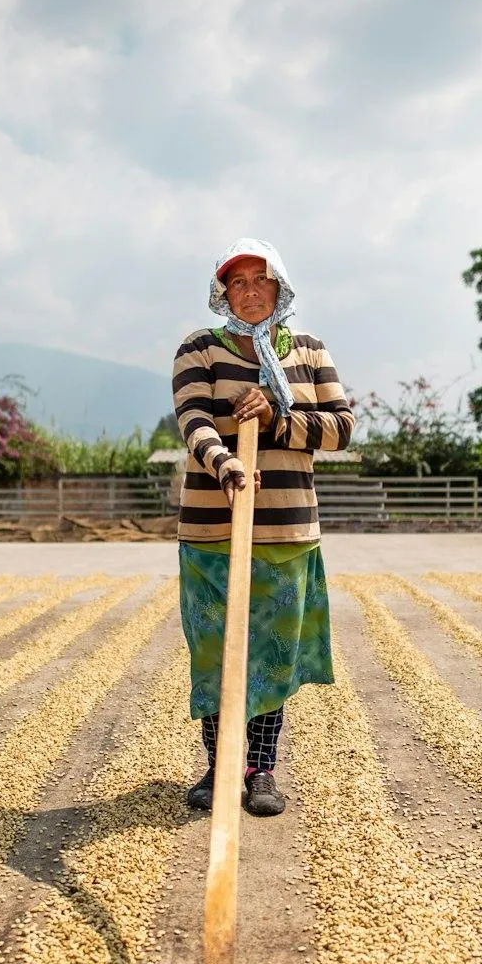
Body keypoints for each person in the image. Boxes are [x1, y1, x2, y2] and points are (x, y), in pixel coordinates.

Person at [172, 238, 355, 816]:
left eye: (261, 280)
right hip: (212, 529)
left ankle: (261, 771)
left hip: (286, 531)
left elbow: (341, 427)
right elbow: (193, 417)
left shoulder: (308, 350)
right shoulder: (199, 349)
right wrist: (222, 460)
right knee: (216, 653)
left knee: (271, 656)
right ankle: (219, 765)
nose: (250, 293)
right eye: (238, 283)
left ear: (281, 286)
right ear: (222, 293)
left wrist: (279, 418)